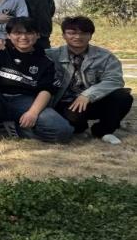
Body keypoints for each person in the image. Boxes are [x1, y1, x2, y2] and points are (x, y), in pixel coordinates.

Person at [0, 17, 73, 144]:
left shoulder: (45, 61)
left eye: (29, 33)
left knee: (62, 131)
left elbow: (46, 90)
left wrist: (33, 113)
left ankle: (16, 129)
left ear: (37, 35)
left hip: (25, 102)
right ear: (8, 35)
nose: (23, 37)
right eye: (17, 33)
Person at [47, 16, 133, 144]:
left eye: (83, 33)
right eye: (72, 33)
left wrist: (88, 95)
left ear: (91, 35)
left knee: (123, 97)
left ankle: (103, 131)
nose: (78, 37)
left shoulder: (105, 56)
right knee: (76, 126)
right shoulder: (50, 55)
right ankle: (79, 126)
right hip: (66, 103)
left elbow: (114, 80)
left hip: (93, 100)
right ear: (63, 35)